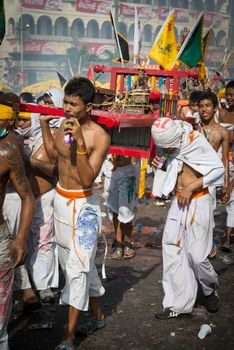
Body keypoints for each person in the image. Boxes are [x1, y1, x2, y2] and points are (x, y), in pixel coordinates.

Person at [40, 77, 110, 350]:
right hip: (60, 201)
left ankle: (68, 338)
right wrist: (47, 127)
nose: (66, 108)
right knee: (76, 262)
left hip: (84, 209)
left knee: (78, 268)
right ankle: (98, 316)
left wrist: (80, 143)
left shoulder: (100, 136)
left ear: (88, 106)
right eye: (65, 103)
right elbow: (55, 156)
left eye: (72, 104)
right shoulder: (64, 125)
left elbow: (86, 178)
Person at [151, 117, 224, 319]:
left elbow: (218, 170)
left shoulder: (195, 141)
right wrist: (159, 163)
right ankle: (178, 304)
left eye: (167, 147)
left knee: (197, 256)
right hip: (178, 201)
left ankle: (209, 289)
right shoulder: (168, 145)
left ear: (175, 138)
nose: (164, 149)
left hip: (198, 201)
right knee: (172, 250)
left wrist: (191, 187)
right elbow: (168, 166)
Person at [0, 94, 35, 349]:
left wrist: (21, 238)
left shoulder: (9, 149)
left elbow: (27, 196)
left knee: (0, 311)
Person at [103, 154, 138, 259]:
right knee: (114, 210)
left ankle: (127, 242)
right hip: (110, 172)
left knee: (126, 210)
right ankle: (118, 244)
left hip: (127, 173)